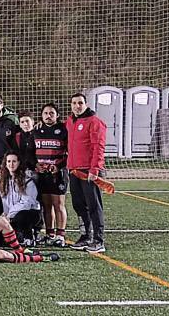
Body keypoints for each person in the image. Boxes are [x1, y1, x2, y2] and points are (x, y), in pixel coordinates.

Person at [66, 92, 107, 253]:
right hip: (74, 170)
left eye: (80, 103)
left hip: (89, 171)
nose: (77, 106)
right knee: (78, 205)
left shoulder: (95, 122)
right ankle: (85, 236)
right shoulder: (70, 121)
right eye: (74, 103)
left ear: (86, 104)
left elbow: (99, 147)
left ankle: (98, 240)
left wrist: (95, 169)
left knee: (94, 205)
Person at [0, 150, 41, 247]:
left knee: (21, 216)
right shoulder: (1, 180)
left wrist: (8, 216)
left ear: (19, 163)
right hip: (10, 216)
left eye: (14, 161)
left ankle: (28, 236)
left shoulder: (27, 180)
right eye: (9, 161)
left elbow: (26, 203)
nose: (11, 164)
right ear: (5, 163)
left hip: (29, 213)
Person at [34, 103, 69, 247]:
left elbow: (70, 153)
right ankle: (50, 234)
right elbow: (31, 152)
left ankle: (60, 235)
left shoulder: (64, 130)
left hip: (58, 174)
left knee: (58, 205)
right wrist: (36, 165)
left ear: (57, 115)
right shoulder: (36, 130)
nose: (48, 116)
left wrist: (59, 166)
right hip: (42, 174)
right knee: (46, 205)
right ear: (41, 116)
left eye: (51, 113)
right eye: (46, 113)